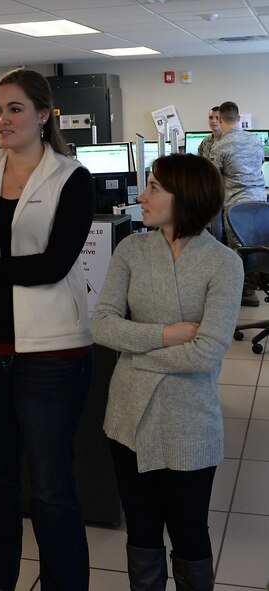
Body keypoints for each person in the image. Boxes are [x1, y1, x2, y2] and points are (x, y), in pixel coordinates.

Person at [0, 68, 94, 591]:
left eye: (15, 109)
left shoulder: (72, 178)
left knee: (50, 485)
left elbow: (53, 266)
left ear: (44, 114)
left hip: (51, 353)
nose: (2, 120)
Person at [91, 153, 242, 591]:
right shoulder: (132, 250)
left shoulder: (223, 264)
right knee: (140, 531)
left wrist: (135, 350)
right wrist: (169, 334)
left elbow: (206, 354)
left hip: (190, 421)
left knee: (190, 533)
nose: (141, 196)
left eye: (154, 187)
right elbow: (101, 325)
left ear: (186, 197)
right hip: (129, 418)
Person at [208, 101, 266, 306]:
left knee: (237, 250)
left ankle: (236, 295)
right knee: (257, 247)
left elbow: (212, 177)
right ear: (239, 118)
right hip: (261, 204)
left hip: (237, 207)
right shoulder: (257, 140)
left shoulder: (220, 145)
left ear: (221, 119)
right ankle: (250, 290)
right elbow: (259, 164)